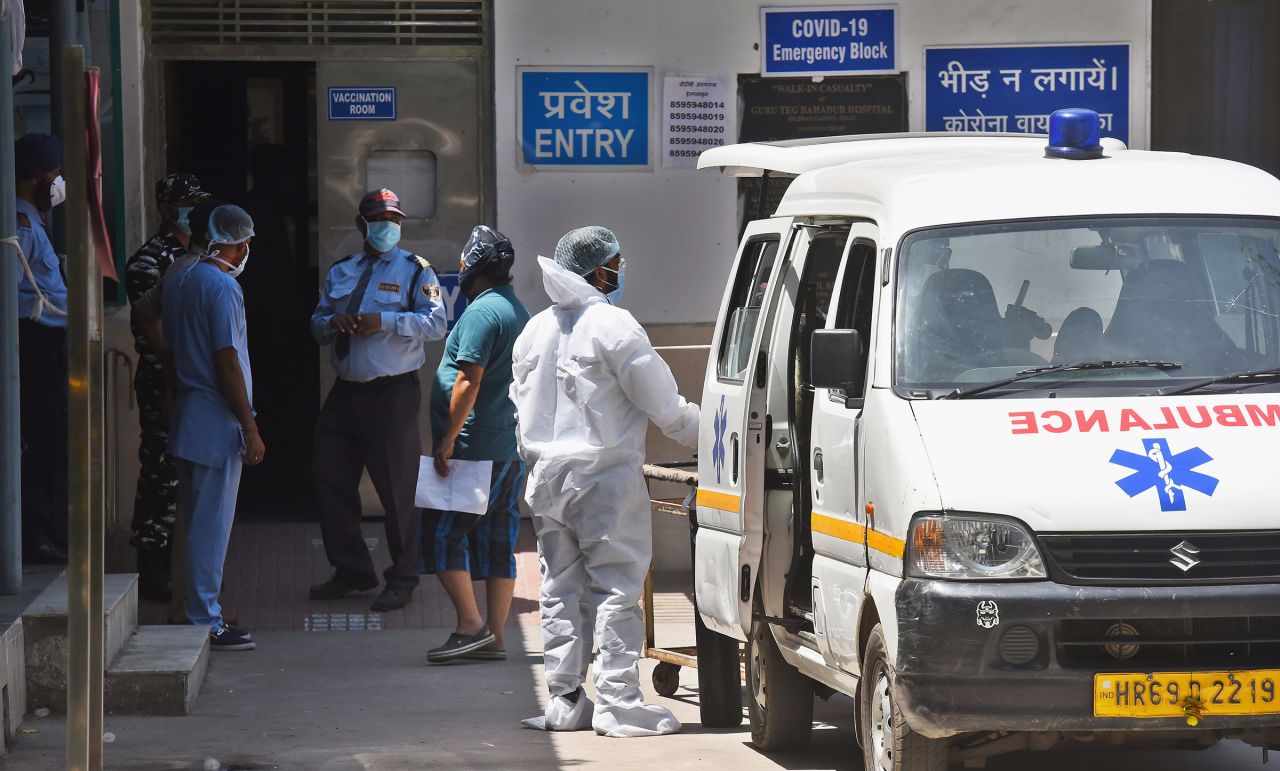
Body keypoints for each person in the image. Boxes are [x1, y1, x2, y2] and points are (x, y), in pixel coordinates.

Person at [512, 226, 700, 737]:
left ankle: (565, 700)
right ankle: (617, 703)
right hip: (604, 482)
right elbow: (664, 405)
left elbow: (518, 405)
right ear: (599, 271)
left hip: (546, 480)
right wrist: (712, 439)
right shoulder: (614, 325)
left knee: (560, 589)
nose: (621, 269)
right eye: (617, 261)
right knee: (617, 589)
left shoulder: (535, 329)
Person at [309, 189, 447, 611]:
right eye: (380, 218)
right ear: (361, 225)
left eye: (395, 219)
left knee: (397, 488)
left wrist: (383, 321)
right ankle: (352, 570)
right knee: (329, 476)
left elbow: (437, 322)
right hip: (346, 390)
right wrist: (335, 322)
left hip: (392, 393)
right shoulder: (342, 271)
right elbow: (316, 324)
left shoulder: (415, 271)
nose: (389, 226)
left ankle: (403, 578)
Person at [423, 226, 530, 663]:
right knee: (499, 538)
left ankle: (469, 626)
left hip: (473, 448)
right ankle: (496, 636)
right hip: (505, 446)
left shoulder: (482, 313)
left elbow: (468, 379)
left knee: (445, 534)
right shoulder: (515, 309)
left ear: (475, 267)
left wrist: (447, 440)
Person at [162, 204, 259, 651]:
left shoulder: (181, 275)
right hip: (216, 417)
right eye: (243, 243)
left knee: (192, 521)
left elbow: (146, 316)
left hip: (188, 410)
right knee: (211, 525)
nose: (245, 252)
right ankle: (205, 617)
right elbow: (227, 360)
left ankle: (191, 605)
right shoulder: (221, 287)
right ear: (227, 241)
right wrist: (250, 425)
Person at [124, 173, 210, 601]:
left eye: (196, 201)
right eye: (184, 202)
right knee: (161, 472)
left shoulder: (205, 257)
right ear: (164, 207)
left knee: (194, 473)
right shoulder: (149, 260)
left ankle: (188, 566)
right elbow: (152, 326)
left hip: (197, 378)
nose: (191, 209)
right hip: (165, 378)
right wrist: (178, 376)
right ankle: (153, 569)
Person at [13, 133, 68, 563]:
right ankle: (36, 533)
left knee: (53, 436)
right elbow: (15, 296)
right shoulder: (19, 225)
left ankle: (48, 526)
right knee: (40, 436)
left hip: (48, 339)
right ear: (35, 177)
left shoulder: (34, 221)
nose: (58, 183)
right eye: (54, 174)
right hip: (33, 340)